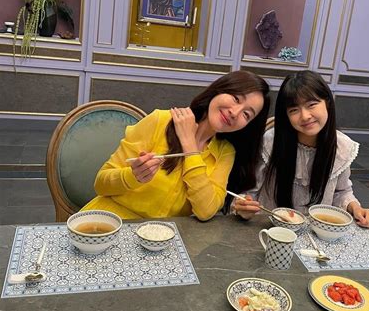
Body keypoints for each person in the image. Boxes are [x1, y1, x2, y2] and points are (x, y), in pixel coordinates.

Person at [81, 71, 270, 221]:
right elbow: (101, 184)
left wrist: (189, 146)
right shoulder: (160, 121)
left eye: (247, 114)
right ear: (219, 90)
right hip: (108, 221)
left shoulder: (225, 152)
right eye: (236, 99)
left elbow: (206, 211)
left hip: (161, 240)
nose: (235, 112)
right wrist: (132, 176)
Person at [233, 70, 369, 228]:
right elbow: (249, 191)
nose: (305, 116)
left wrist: (356, 208)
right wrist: (243, 206)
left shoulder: (341, 147)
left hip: (316, 232)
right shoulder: (271, 142)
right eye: (294, 110)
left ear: (327, 102)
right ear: (286, 115)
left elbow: (342, 191)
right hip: (271, 230)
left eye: (311, 105)